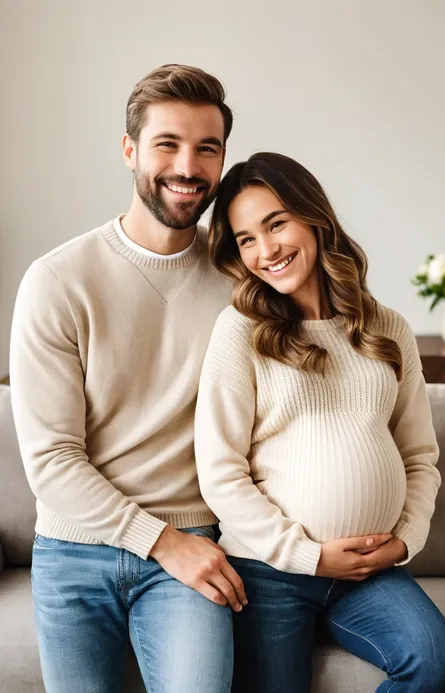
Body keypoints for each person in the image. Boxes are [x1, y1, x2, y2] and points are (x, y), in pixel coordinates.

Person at [9, 64, 248, 693]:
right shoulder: (57, 280)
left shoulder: (243, 283)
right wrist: (162, 541)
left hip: (196, 541)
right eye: (167, 144)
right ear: (129, 150)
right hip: (74, 548)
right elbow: (52, 460)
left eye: (207, 148)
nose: (188, 167)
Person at [195, 151, 445, 693]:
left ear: (313, 217)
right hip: (270, 573)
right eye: (246, 239)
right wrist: (307, 555)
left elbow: (420, 457)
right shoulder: (239, 331)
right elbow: (220, 473)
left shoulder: (387, 327)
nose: (266, 251)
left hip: (369, 573)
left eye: (276, 224)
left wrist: (405, 539)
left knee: (434, 658)